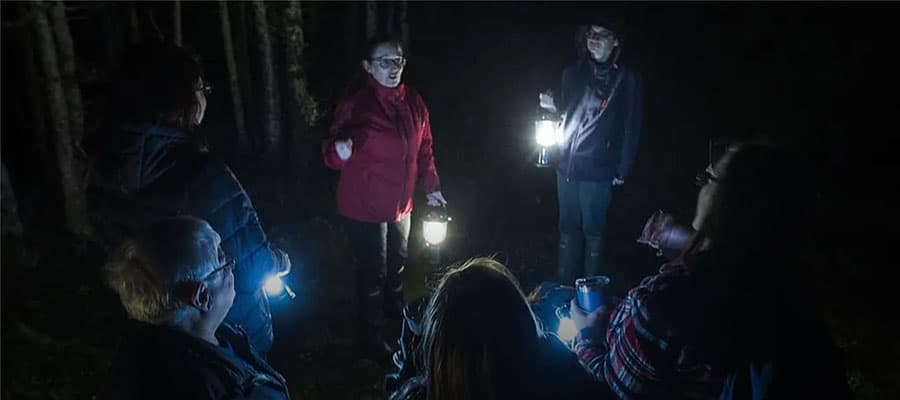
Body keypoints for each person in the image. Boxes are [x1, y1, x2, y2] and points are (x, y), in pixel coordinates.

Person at [569, 143, 850, 399]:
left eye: (708, 178)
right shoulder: (791, 292)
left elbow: (614, 384)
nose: (699, 187)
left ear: (730, 202)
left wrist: (584, 339)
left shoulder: (671, 301)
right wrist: (685, 241)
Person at [88, 42, 289, 355]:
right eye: (201, 87)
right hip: (226, 331)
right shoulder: (201, 175)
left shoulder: (102, 174)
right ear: (178, 99)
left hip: (157, 335)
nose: (204, 95)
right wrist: (278, 261)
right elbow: (252, 268)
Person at [322, 35, 445, 363]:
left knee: (398, 261)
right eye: (385, 61)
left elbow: (425, 148)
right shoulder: (357, 104)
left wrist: (431, 186)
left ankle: (394, 310)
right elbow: (330, 153)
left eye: (399, 60)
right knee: (373, 271)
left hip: (400, 205)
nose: (394, 67)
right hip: (363, 206)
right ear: (367, 66)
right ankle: (371, 337)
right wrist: (339, 151)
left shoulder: (413, 101)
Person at [100, 217, 290, 399]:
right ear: (201, 297)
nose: (231, 265)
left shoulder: (208, 336)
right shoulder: (193, 388)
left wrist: (263, 380)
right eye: (221, 258)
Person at [390, 257, 607, 400]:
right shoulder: (562, 381)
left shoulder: (426, 391)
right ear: (523, 321)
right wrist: (586, 340)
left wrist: (408, 372)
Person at [539, 21, 643, 285]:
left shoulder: (625, 79)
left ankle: (590, 285)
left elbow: (631, 125)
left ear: (616, 41)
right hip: (566, 164)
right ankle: (564, 279)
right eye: (590, 35)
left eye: (601, 35)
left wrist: (622, 169)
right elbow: (567, 115)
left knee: (593, 227)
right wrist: (551, 107)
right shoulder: (572, 74)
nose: (593, 40)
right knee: (567, 224)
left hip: (599, 168)